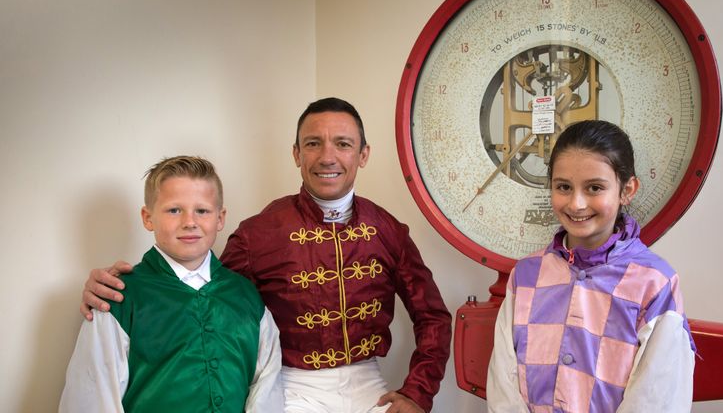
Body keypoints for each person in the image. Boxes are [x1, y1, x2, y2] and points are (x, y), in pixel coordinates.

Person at [79, 98, 452, 413]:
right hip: (292, 390)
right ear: (296, 154)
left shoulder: (388, 230)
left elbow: (432, 316)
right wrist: (117, 288)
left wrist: (417, 394)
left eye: (342, 144)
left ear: (363, 154)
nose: (328, 157)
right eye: (313, 143)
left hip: (370, 385)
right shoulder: (258, 234)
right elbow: (208, 296)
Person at [486, 120, 696, 412]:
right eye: (563, 187)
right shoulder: (525, 275)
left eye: (595, 187)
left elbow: (657, 399)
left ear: (627, 190)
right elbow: (503, 385)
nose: (576, 204)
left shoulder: (655, 284)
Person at [60, 156, 283, 412]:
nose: (190, 222)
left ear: (220, 218)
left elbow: (267, 387)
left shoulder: (246, 296)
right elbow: (92, 396)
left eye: (202, 211)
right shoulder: (118, 298)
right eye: (174, 210)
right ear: (148, 217)